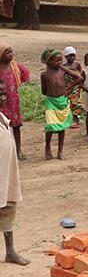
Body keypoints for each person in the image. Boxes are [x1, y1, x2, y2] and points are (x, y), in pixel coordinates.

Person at [0, 79, 28, 265]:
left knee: (8, 211)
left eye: (4, 93)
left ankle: (10, 251)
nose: (3, 98)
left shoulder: (3, 117)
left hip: (7, 177)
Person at [40, 49, 81, 159]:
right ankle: (47, 148)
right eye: (57, 60)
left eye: (61, 60)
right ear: (48, 61)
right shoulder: (44, 75)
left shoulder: (63, 71)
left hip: (62, 101)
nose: (60, 62)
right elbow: (44, 91)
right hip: (51, 102)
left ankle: (60, 151)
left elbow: (79, 78)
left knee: (62, 127)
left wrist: (68, 88)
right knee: (50, 125)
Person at [0, 43, 29, 159]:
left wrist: (24, 84)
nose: (10, 54)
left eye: (11, 52)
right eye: (7, 52)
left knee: (16, 125)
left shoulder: (14, 66)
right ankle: (5, 150)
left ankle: (18, 150)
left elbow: (25, 73)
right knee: (3, 125)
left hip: (13, 101)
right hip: (2, 102)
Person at [62, 47, 84, 129]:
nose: (72, 57)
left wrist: (82, 85)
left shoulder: (77, 65)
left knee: (75, 103)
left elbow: (81, 74)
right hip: (67, 87)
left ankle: (76, 120)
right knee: (68, 103)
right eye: (70, 56)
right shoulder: (63, 67)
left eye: (73, 55)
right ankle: (69, 119)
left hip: (76, 88)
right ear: (66, 56)